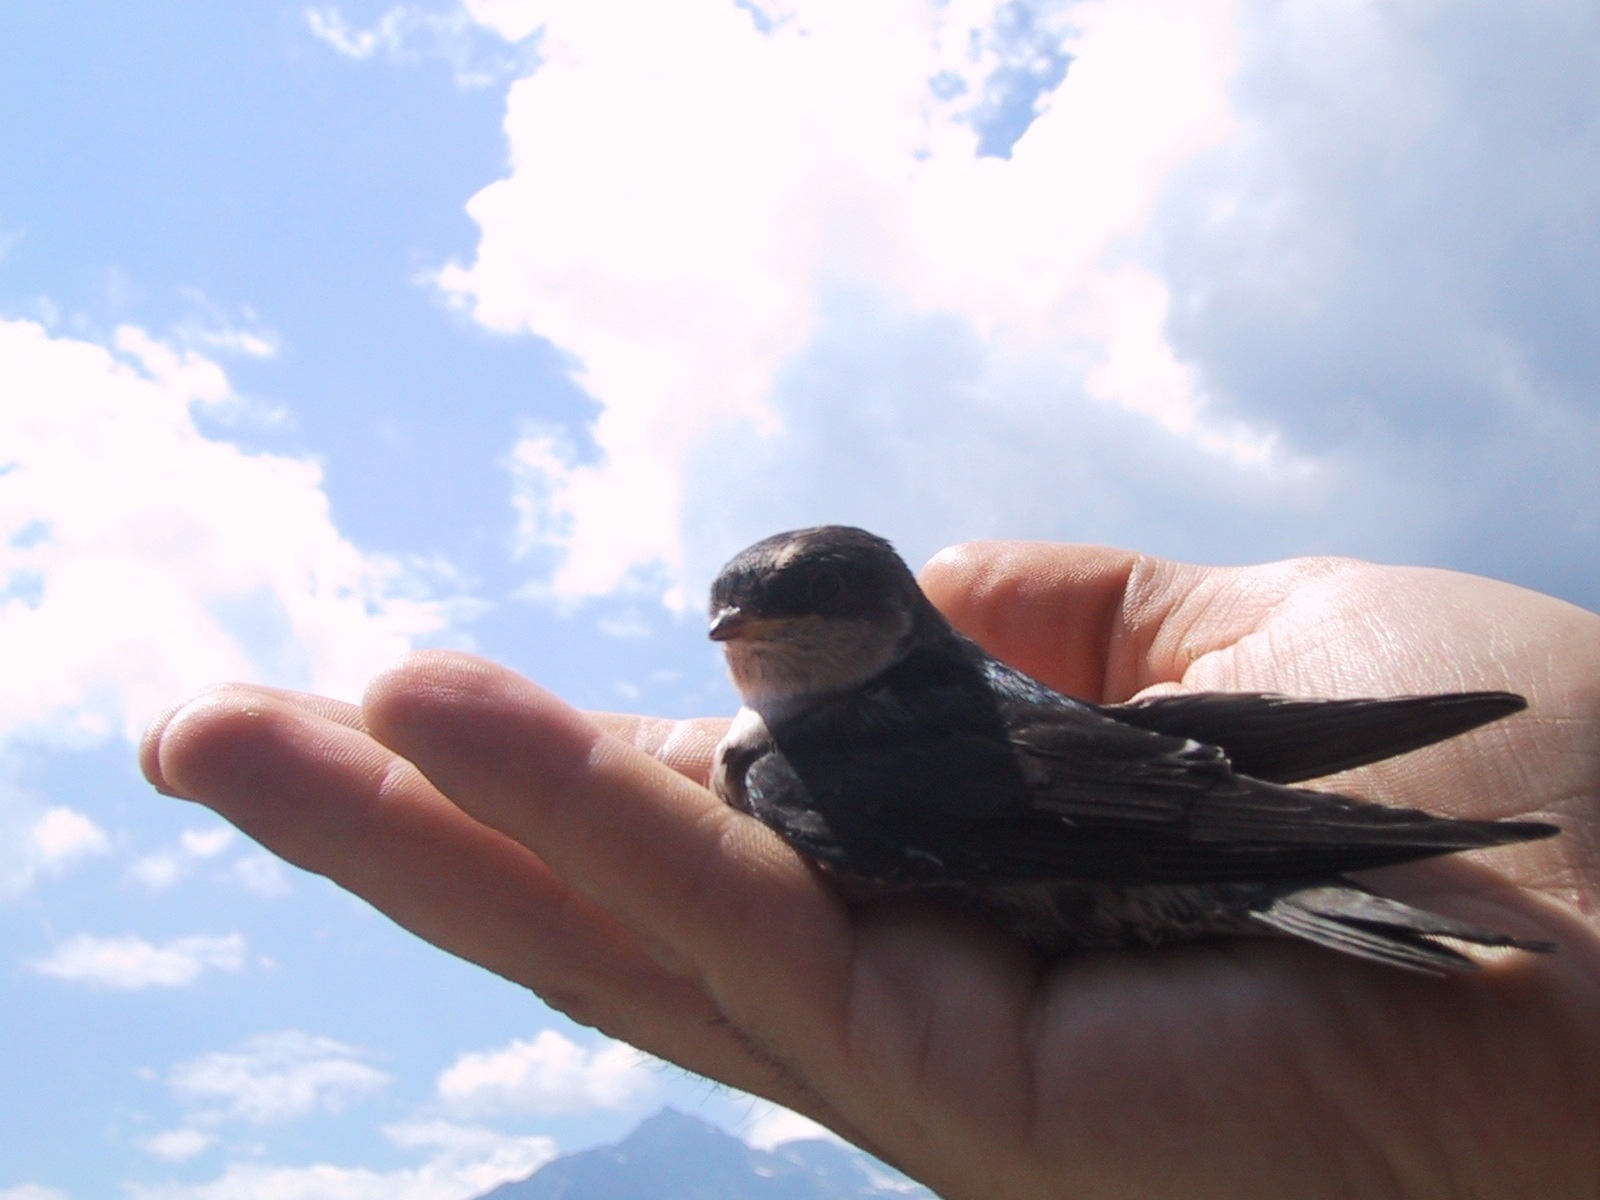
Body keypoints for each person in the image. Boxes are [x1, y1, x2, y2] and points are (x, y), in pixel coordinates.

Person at [140, 541, 1600, 1199]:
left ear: (887, 619)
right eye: (733, 617)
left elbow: (1107, 783)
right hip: (1146, 806)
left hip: (1132, 856)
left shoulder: (814, 766)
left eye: (796, 613)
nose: (747, 637)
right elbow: (1118, 750)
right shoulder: (801, 748)